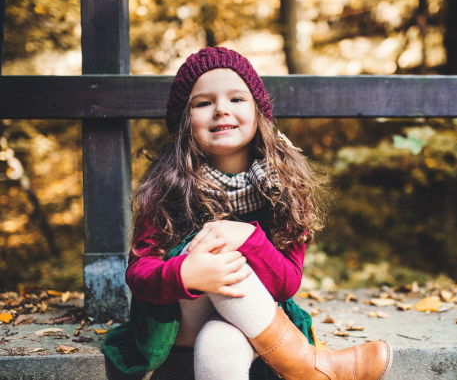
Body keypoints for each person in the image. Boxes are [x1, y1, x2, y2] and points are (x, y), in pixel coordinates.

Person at [103, 46, 393, 380]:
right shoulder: (166, 188)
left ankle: (308, 367)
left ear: (258, 112)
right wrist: (184, 273)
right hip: (178, 319)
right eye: (203, 102)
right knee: (215, 243)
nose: (221, 110)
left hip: (253, 323)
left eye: (236, 99)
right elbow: (139, 274)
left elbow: (287, 283)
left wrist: (249, 238)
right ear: (186, 120)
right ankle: (309, 367)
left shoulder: (285, 187)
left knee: (220, 344)